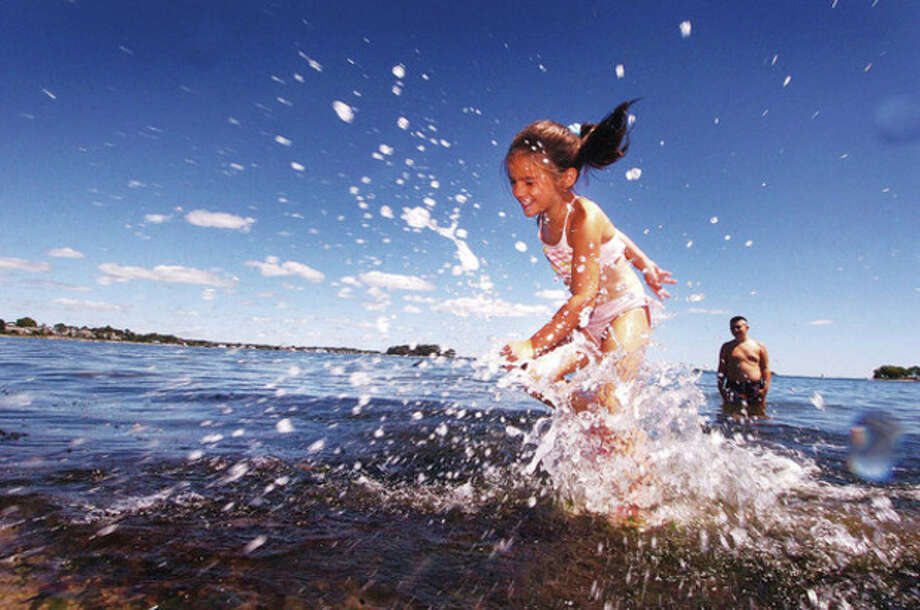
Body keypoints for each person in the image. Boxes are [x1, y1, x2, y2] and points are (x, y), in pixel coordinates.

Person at [500, 100, 675, 413]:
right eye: (513, 180)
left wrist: (532, 344)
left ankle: (628, 447)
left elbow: (583, 294)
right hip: (588, 321)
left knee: (613, 401)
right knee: (532, 376)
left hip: (625, 311)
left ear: (565, 178)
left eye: (529, 182)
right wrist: (644, 262)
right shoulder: (544, 218)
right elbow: (615, 234)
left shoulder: (584, 215)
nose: (516, 191)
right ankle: (592, 423)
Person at [717, 316, 771, 416]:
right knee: (730, 415)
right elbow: (721, 369)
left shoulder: (759, 346)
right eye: (732, 328)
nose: (735, 330)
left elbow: (766, 368)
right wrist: (720, 387)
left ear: (747, 328)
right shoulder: (726, 347)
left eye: (738, 327)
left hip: (754, 386)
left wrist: (765, 388)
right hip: (733, 386)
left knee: (757, 416)